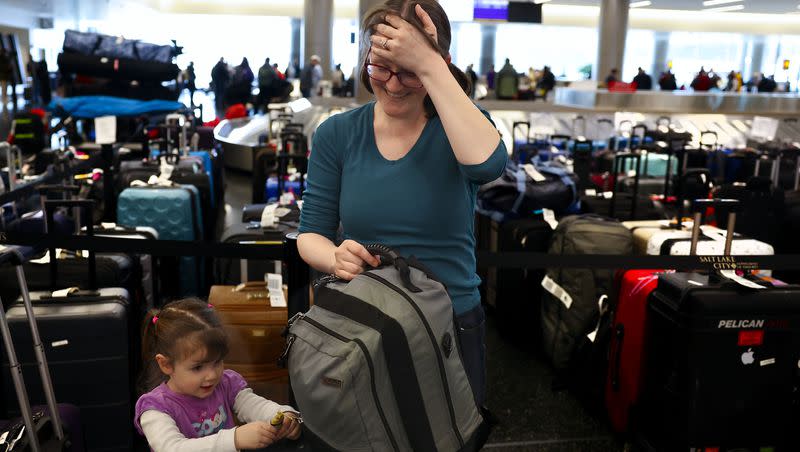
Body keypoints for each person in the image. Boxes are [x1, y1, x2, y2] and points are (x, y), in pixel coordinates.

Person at [296, 0, 507, 409]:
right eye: (380, 68)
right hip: (367, 320)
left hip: (449, 322)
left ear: (440, 64)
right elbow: (311, 234)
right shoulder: (338, 134)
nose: (393, 85)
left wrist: (429, 65)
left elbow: (487, 164)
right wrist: (334, 257)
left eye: (409, 71)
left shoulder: (460, 126)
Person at [134, 299, 302, 450]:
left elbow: (254, 405)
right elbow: (172, 448)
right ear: (166, 364)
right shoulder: (155, 408)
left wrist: (283, 416)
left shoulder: (225, 383)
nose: (212, 375)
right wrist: (234, 439)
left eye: (217, 362)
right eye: (198, 367)